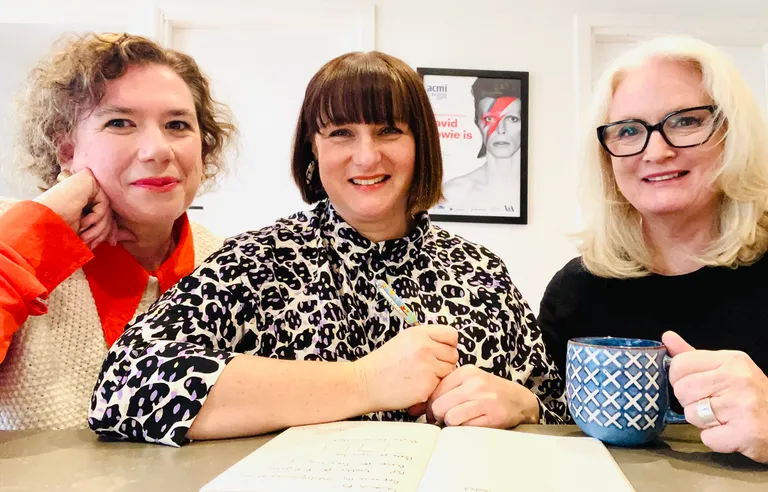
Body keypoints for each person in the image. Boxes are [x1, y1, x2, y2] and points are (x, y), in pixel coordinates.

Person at [89, 51, 566, 447]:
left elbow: (561, 408)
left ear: (422, 146)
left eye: (389, 131)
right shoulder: (256, 262)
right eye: (341, 133)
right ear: (312, 151)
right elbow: (124, 388)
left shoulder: (481, 272)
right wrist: (363, 381)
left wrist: (523, 405)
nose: (366, 156)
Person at [538, 37, 768, 463]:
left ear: (732, 132)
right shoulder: (577, 289)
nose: (657, 151)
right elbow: (548, 421)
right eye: (628, 130)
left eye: (685, 121)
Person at [0, 32, 235, 430]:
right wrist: (39, 229)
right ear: (66, 150)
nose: (158, 150)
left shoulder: (230, 263)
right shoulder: (13, 243)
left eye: (177, 124)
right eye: (120, 122)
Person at [440, 78, 523, 215]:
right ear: (477, 123)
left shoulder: (545, 191)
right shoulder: (452, 193)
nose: (501, 129)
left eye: (512, 119)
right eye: (489, 119)